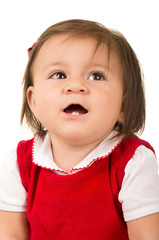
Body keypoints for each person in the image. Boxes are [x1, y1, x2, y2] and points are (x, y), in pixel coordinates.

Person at [0, 19, 159, 240]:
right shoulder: (19, 164)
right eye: (59, 75)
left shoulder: (134, 162)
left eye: (96, 76)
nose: (75, 85)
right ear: (33, 102)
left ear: (124, 105)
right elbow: (10, 234)